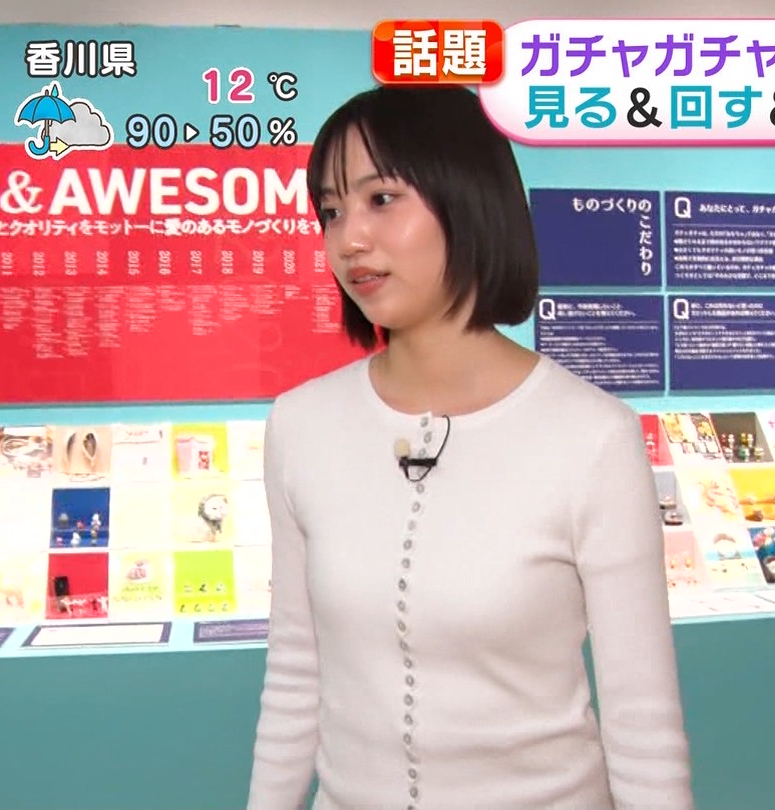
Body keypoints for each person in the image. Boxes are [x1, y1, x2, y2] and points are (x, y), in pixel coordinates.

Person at [246, 85, 693, 809]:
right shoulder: (301, 424)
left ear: (468, 199)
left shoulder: (592, 437)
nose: (349, 239)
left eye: (381, 199)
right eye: (331, 211)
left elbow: (642, 729)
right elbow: (297, 674)